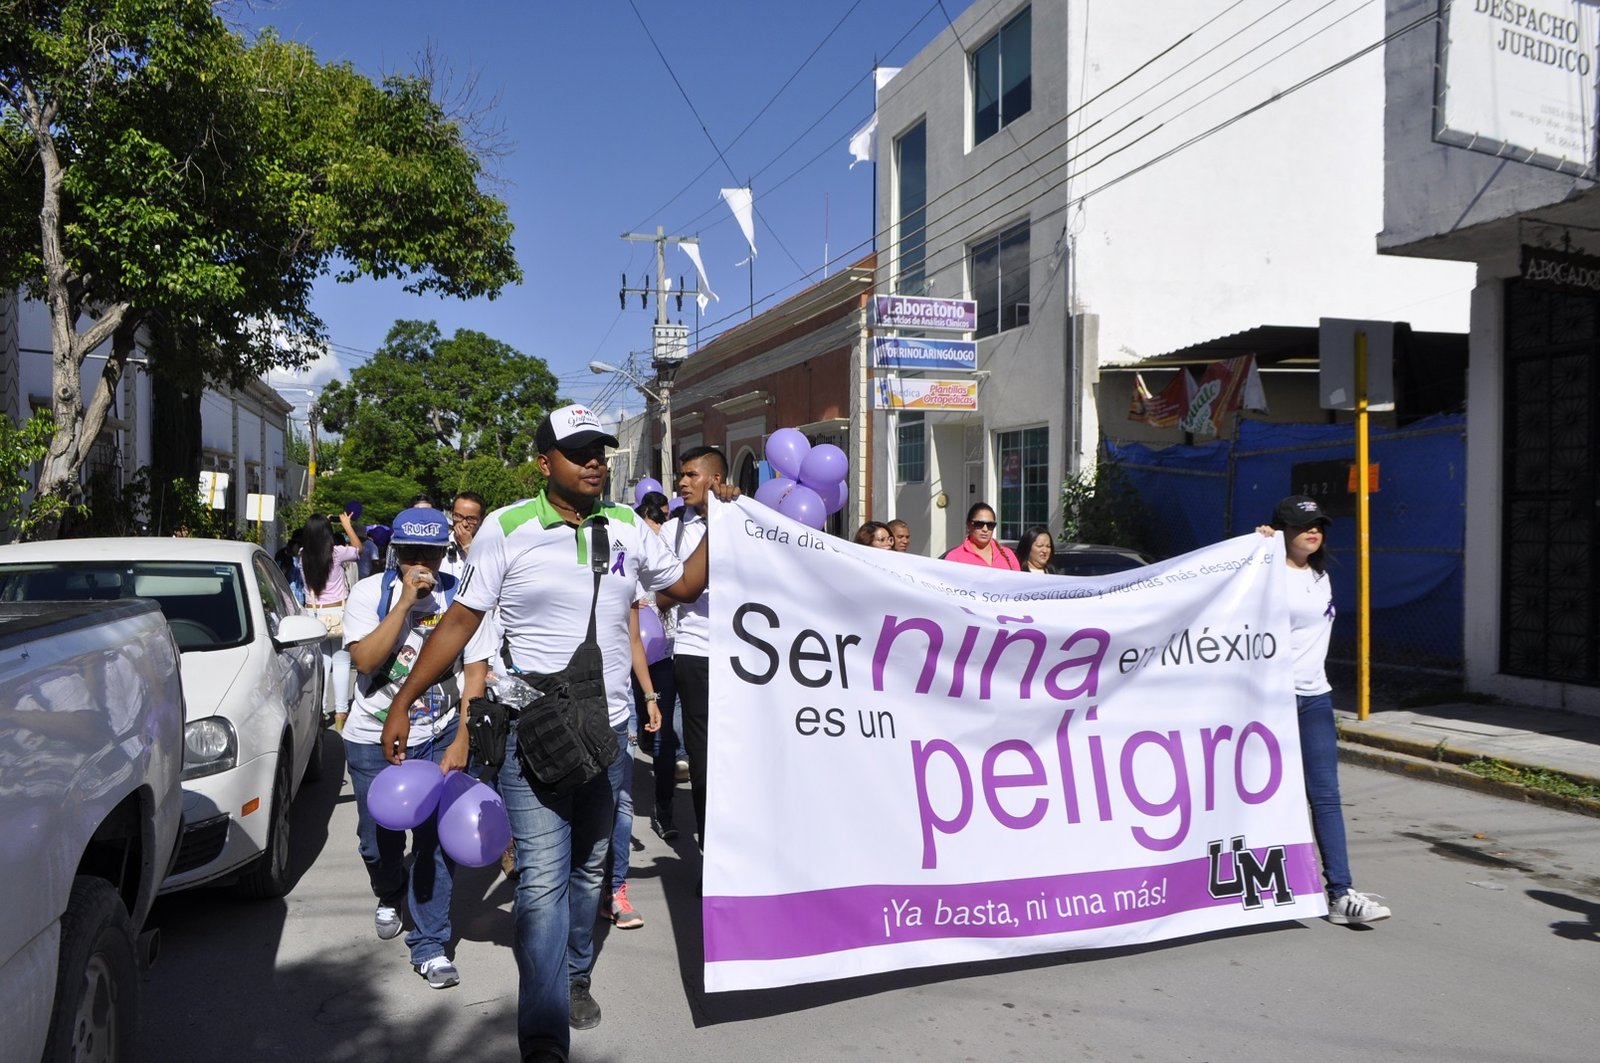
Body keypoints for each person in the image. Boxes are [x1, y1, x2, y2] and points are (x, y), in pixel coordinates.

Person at [381, 404, 728, 1063]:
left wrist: (718, 519)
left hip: (610, 734)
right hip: (531, 735)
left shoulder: (627, 524)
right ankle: (543, 1037)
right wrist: (406, 698)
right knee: (540, 881)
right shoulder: (506, 529)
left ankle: (574, 973)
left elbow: (684, 583)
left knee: (591, 868)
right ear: (545, 464)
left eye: (600, 449)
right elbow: (458, 624)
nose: (597, 460)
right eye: (580, 451)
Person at [341, 506, 497, 989]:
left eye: (430, 553)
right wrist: (405, 604)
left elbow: (475, 674)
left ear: (443, 551)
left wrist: (464, 738)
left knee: (434, 843)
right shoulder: (370, 593)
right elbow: (366, 660)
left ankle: (430, 944)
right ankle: (389, 891)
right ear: (396, 554)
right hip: (373, 734)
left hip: (441, 730)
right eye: (411, 553)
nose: (421, 563)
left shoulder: (462, 596)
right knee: (377, 839)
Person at [1257, 495, 1392, 926]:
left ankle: (1341, 892)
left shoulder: (1320, 575)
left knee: (1326, 796)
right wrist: (1254, 547)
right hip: (1269, 700)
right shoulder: (1264, 571)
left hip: (1314, 697)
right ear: (1281, 531)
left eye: (1317, 524)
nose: (1312, 531)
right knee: (1256, 794)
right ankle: (1241, 885)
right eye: (1301, 525)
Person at [657, 445, 727, 851]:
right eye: (680, 475)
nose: (681, 483)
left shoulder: (743, 518)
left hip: (746, 656)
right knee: (703, 761)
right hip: (695, 653)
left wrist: (729, 518)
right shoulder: (673, 531)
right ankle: (709, 853)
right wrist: (693, 577)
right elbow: (665, 596)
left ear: (716, 480)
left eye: (691, 475)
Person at [602, 594, 662, 931]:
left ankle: (615, 891)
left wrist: (649, 696)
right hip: (569, 704)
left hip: (620, 709)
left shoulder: (625, 564)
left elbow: (633, 638)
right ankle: (574, 889)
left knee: (621, 803)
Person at [632, 491, 683, 841]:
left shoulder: (671, 563)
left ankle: (664, 808)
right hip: (629, 661)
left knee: (666, 738)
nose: (652, 539)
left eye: (656, 533)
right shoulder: (628, 565)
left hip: (667, 659)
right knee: (634, 736)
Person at [302, 510, 364, 724]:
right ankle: (340, 713)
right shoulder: (336, 553)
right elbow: (358, 549)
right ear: (328, 533)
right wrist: (346, 525)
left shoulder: (302, 554)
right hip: (338, 613)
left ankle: (319, 710)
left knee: (322, 661)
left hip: (314, 614)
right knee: (341, 660)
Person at [943, 503, 1020, 570]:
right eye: (979, 524)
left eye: (990, 525)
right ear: (968, 525)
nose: (985, 529)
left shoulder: (1008, 554)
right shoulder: (954, 557)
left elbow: (1018, 583)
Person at [444, 491, 486, 578]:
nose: (464, 524)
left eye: (471, 519)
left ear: (481, 520)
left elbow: (486, 578)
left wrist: (468, 547)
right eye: (458, 516)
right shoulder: (440, 545)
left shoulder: (489, 548)